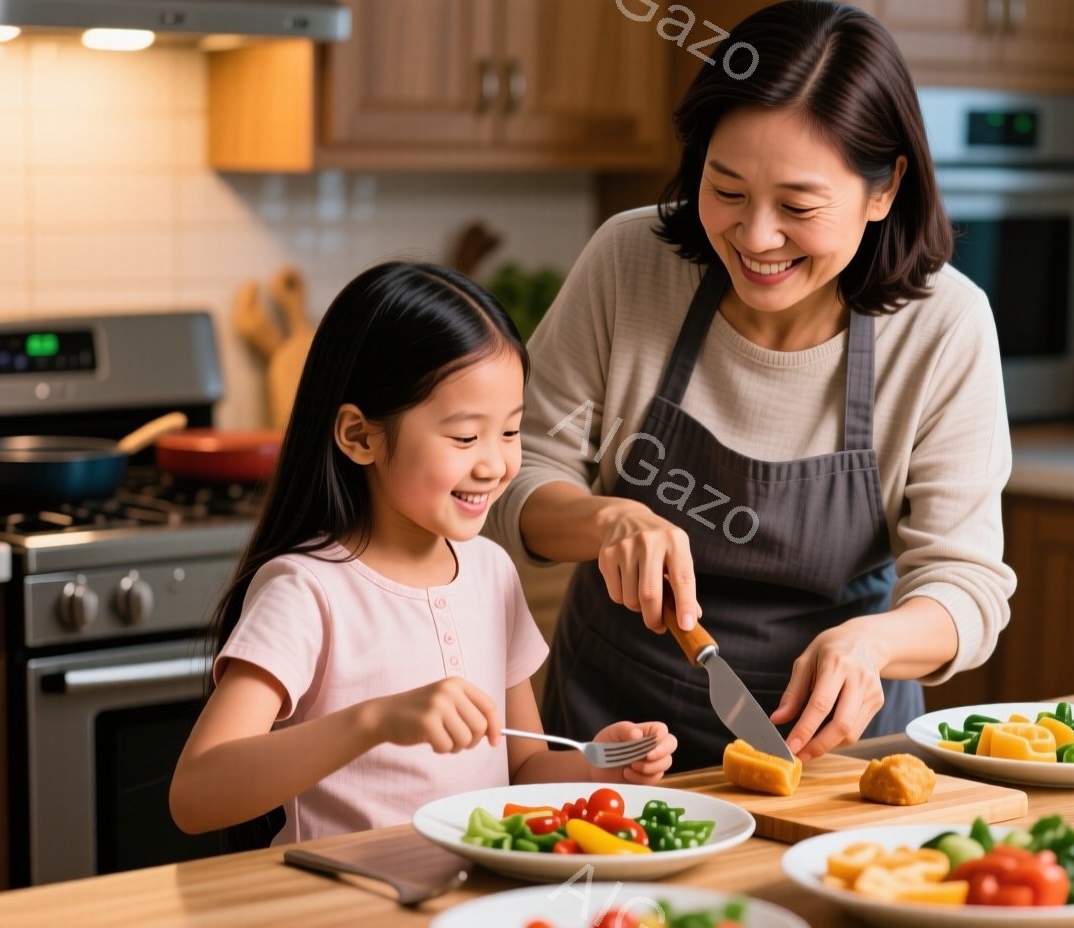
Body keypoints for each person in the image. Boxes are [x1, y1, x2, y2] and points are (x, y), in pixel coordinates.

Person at [484, 0, 1016, 772]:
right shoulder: (628, 263)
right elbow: (508, 478)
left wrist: (872, 642)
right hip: (609, 749)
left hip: (832, 764)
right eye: (726, 191)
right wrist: (605, 522)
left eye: (797, 206)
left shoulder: (946, 326)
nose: (755, 236)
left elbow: (967, 584)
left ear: (884, 188)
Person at [170, 262, 676, 845]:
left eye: (510, 432)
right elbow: (196, 795)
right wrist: (376, 720)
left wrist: (594, 765)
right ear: (360, 436)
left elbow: (523, 773)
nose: (494, 464)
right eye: (465, 437)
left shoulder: (491, 572)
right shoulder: (306, 589)